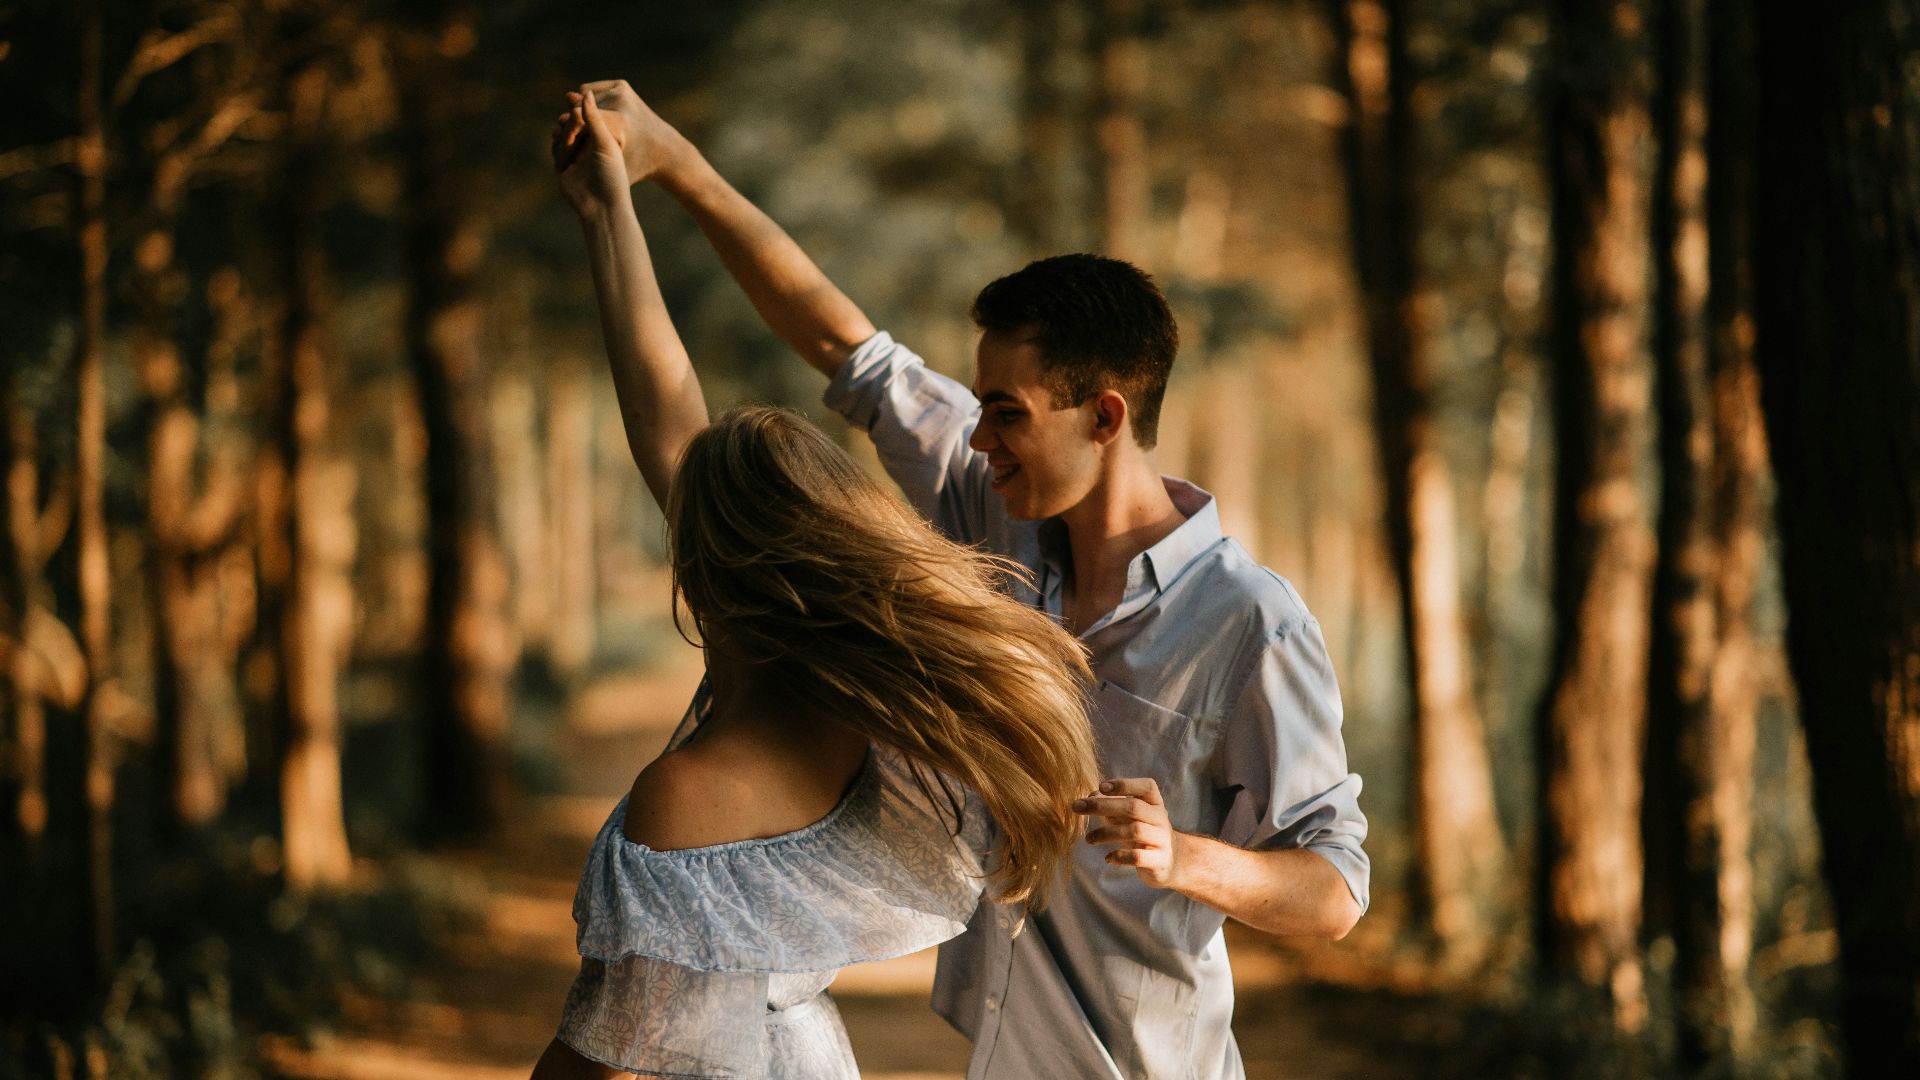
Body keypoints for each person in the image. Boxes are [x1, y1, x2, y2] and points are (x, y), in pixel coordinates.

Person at [578, 79, 1372, 1079]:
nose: (978, 438)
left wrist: (1185, 857)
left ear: (1106, 416)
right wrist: (672, 167)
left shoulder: (1249, 622)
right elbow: (845, 348)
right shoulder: (994, 514)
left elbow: (1336, 892)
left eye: (1006, 413)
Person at [529, 90, 1101, 1080]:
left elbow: (606, 1062)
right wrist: (607, 210)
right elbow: (669, 419)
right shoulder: (879, 733)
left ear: (709, 565)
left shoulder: (688, 796)